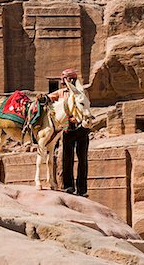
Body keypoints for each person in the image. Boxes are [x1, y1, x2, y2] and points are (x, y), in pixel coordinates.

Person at [49, 69, 90, 197]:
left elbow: (86, 107)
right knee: (67, 159)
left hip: (82, 128)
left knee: (82, 159)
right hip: (68, 129)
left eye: (65, 78)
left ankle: (82, 189)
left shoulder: (83, 92)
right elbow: (49, 99)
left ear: (71, 79)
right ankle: (69, 187)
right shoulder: (61, 93)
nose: (62, 81)